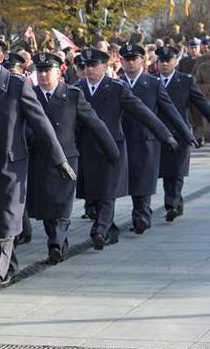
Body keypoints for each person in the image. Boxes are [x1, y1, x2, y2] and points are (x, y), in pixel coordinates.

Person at [0, 35, 72, 292]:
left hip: (10, 164)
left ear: (0, 58)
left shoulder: (17, 84)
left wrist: (59, 159)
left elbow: (40, 124)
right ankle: (10, 266)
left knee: (6, 219)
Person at [74, 48, 177, 249]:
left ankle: (99, 230)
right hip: (87, 148)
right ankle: (110, 229)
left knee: (107, 193)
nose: (89, 69)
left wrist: (165, 135)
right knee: (94, 195)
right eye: (86, 66)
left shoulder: (116, 88)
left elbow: (142, 112)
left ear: (105, 66)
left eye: (94, 65)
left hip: (112, 148)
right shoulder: (77, 89)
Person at [27, 52, 118, 263]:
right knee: (47, 207)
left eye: (47, 71)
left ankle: (57, 245)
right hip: (40, 158)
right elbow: (20, 125)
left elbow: (94, 123)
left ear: (58, 72)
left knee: (61, 205)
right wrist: (31, 137)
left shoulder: (72, 95)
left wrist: (111, 150)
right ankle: (56, 241)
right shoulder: (30, 94)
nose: (43, 76)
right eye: (40, 71)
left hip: (66, 158)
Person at [119, 44, 194, 234]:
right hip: (125, 139)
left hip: (147, 139)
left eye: (134, 59)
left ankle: (142, 216)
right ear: (121, 61)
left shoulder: (152, 84)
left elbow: (171, 111)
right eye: (126, 59)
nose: (130, 63)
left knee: (143, 179)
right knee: (130, 180)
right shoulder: (116, 84)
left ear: (142, 61)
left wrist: (186, 134)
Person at [156, 45, 210, 221]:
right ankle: (175, 204)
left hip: (180, 132)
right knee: (166, 171)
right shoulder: (150, 81)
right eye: (161, 61)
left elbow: (202, 104)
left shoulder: (185, 81)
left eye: (168, 61)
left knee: (176, 171)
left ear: (175, 62)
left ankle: (172, 204)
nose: (164, 65)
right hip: (159, 133)